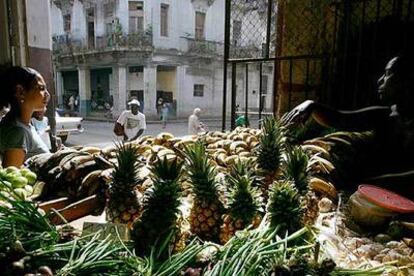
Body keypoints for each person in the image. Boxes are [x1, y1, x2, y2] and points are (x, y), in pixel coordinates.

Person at [282, 54, 414, 193]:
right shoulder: (385, 115)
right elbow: (341, 119)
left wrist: (365, 185)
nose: (380, 81)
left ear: (406, 81)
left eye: (387, 74)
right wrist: (311, 105)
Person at [0, 66, 50, 167]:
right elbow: (12, 178)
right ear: (20, 92)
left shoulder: (24, 124)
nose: (47, 94)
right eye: (41, 88)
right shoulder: (18, 132)